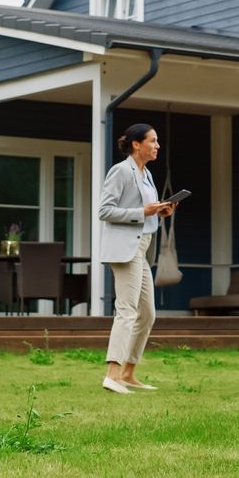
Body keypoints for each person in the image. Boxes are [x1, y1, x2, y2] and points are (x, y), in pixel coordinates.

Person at [96, 123, 175, 394]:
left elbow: (146, 211)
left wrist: (159, 211)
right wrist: (143, 211)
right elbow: (105, 211)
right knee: (127, 311)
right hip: (125, 249)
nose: (157, 146)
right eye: (152, 141)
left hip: (143, 248)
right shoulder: (120, 171)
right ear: (136, 144)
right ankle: (111, 375)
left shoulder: (147, 174)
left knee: (147, 314)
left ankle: (128, 373)